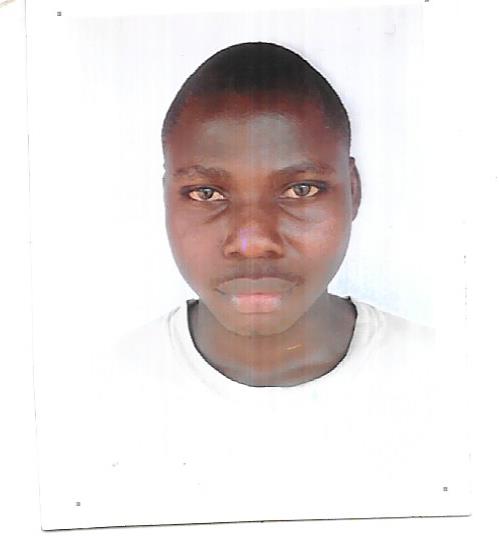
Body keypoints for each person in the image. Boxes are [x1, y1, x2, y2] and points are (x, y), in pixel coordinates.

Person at [105, 42, 457, 525]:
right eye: (206, 193)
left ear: (353, 191)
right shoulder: (96, 398)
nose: (252, 242)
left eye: (300, 189)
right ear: (166, 198)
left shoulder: (454, 384)